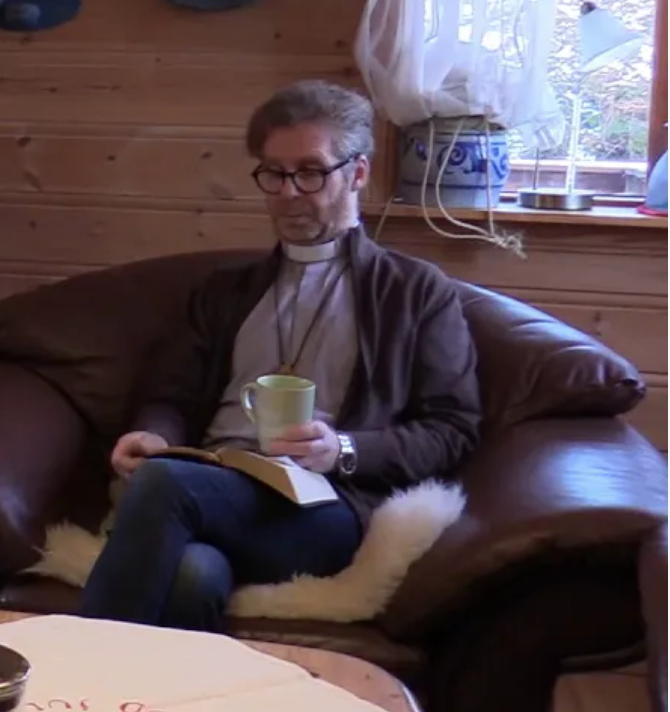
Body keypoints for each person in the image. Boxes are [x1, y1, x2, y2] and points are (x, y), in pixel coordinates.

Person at [77, 80, 482, 633]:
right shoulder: (224, 292)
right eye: (273, 173)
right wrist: (153, 434)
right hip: (211, 481)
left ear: (358, 173)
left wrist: (342, 449)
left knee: (165, 484)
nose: (288, 193)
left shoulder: (415, 293)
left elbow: (453, 429)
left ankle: (74, 669)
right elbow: (169, 395)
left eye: (310, 172)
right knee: (195, 575)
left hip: (322, 506)